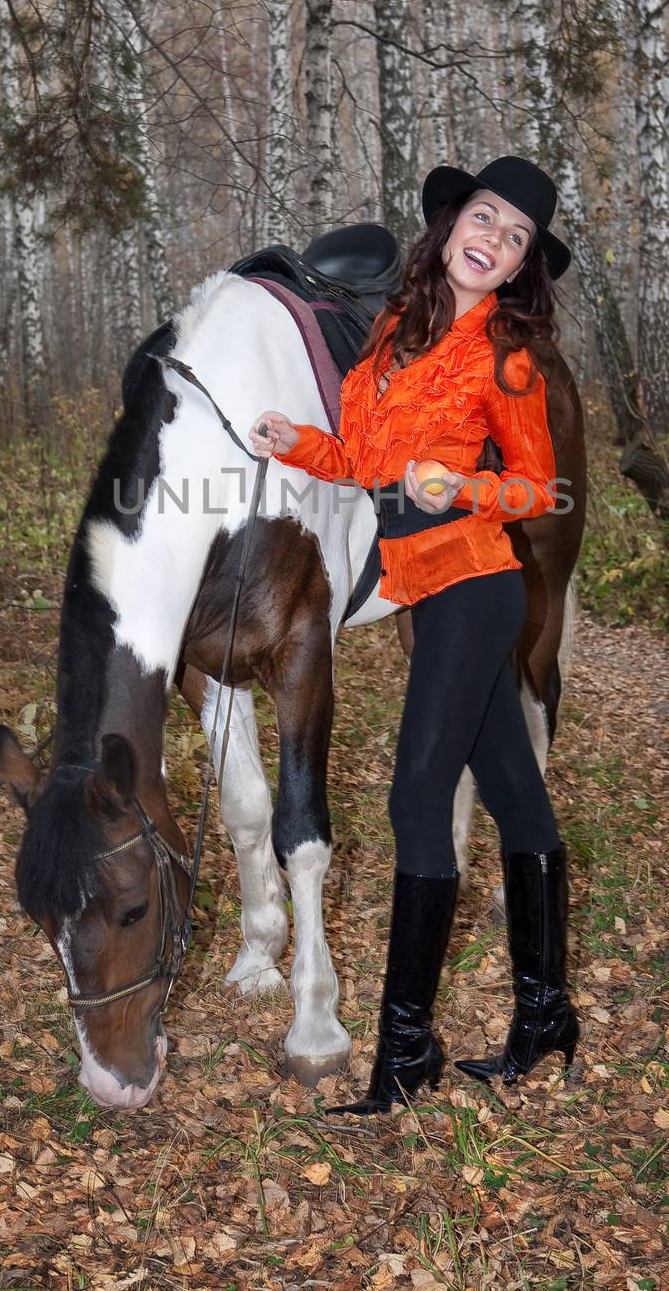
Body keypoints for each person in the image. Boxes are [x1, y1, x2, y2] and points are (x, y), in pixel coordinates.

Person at [248, 156, 580, 1117]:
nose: (496, 241)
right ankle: (545, 1016)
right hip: (422, 585)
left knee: (414, 797)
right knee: (517, 793)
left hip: (475, 582)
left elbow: (535, 486)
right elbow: (359, 460)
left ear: (521, 267)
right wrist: (293, 441)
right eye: (486, 218)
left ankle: (405, 1054)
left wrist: (461, 486)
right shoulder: (395, 326)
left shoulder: (508, 352)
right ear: (450, 225)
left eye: (516, 238)